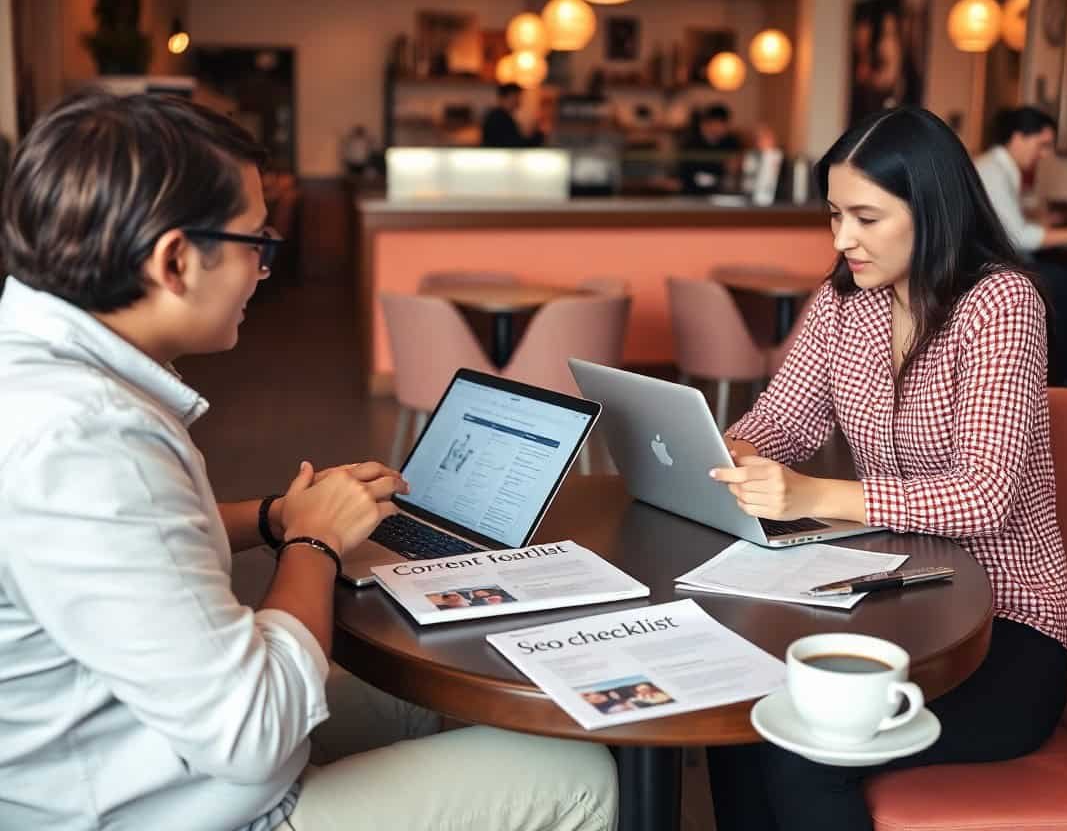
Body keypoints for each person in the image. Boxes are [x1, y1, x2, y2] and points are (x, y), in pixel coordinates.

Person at [0, 91, 616, 831]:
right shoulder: (91, 441)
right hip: (177, 806)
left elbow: (139, 541)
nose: (264, 268)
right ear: (175, 260)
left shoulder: (41, 375)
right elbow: (254, 732)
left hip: (149, 746)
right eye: (255, 244)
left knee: (410, 692)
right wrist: (314, 541)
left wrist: (275, 516)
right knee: (580, 775)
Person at [705, 106, 1067, 831]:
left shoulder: (1001, 305)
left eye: (866, 218)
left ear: (931, 210)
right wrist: (733, 451)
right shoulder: (843, 303)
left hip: (1004, 630)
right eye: (834, 215)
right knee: (735, 714)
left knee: (801, 752)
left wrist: (814, 494)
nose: (842, 239)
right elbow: (784, 419)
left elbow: (984, 495)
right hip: (893, 604)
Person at [975, 106, 1067, 388]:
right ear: (1018, 138)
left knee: (1062, 278)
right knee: (1066, 283)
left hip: (993, 260)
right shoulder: (994, 172)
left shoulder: (1000, 169)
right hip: (985, 266)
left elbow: (1005, 221)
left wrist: (1038, 219)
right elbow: (1019, 237)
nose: (1046, 154)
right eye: (1042, 144)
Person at [678, 104, 743, 195]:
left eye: (723, 125)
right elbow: (686, 174)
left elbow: (735, 168)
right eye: (716, 124)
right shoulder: (691, 143)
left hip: (722, 193)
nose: (719, 128)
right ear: (705, 124)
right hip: (693, 194)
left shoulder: (732, 143)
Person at [480, 82, 545, 148]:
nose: (519, 101)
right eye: (517, 96)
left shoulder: (499, 116)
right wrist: (539, 134)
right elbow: (515, 145)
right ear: (509, 96)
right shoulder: (499, 118)